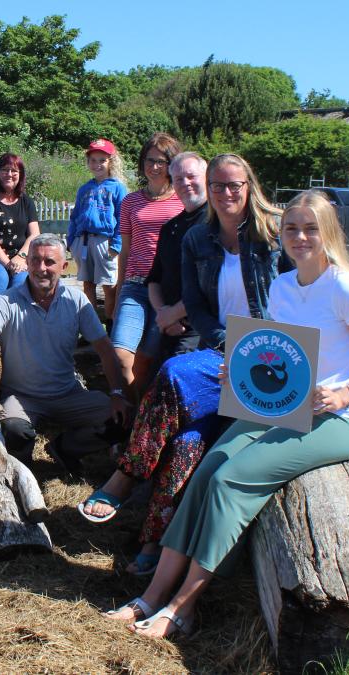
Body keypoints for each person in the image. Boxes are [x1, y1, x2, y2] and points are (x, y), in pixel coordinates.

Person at [104, 190, 349, 639]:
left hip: (337, 419)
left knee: (230, 481)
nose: (299, 237)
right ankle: (152, 595)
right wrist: (239, 369)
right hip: (285, 406)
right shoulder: (283, 286)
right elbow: (280, 353)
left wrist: (345, 394)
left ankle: (183, 607)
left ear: (328, 233)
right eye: (291, 228)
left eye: (310, 228)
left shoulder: (342, 287)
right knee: (205, 474)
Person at [78, 152, 288, 574]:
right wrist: (226, 343)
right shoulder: (197, 239)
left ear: (249, 186)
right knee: (187, 441)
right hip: (220, 351)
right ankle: (156, 541)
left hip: (271, 359)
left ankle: (127, 475)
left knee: (174, 371)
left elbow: (317, 283)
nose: (225, 193)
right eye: (218, 186)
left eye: (234, 185)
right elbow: (196, 303)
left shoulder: (276, 233)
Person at [0, 233, 130, 474]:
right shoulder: (8, 300)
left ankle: (66, 448)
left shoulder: (77, 301)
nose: (41, 268)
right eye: (35, 260)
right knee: (14, 430)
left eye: (49, 262)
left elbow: (105, 349)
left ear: (64, 266)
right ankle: (23, 468)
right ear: (27, 263)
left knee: (124, 418)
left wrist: (116, 393)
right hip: (22, 396)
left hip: (68, 393)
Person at [113, 133, 185, 396]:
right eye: (149, 160)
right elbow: (125, 251)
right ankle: (131, 406)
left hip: (166, 290)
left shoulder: (183, 200)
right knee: (121, 355)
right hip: (134, 285)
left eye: (161, 161)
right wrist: (118, 293)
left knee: (146, 360)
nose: (154, 166)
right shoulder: (130, 201)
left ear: (172, 164)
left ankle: (137, 413)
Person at [147, 152, 209, 360]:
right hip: (168, 325)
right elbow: (154, 279)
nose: (185, 183)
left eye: (191, 176)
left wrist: (174, 314)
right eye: (179, 179)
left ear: (206, 178)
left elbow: (212, 285)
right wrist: (164, 314)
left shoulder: (216, 224)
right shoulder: (170, 227)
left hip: (200, 328)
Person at [69, 138, 128, 324]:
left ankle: (111, 323)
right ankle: (91, 326)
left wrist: (116, 244)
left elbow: (122, 218)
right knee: (88, 283)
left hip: (105, 241)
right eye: (93, 160)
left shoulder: (117, 188)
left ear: (111, 162)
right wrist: (71, 241)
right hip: (83, 241)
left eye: (102, 160)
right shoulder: (84, 189)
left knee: (109, 285)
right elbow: (75, 216)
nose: (97, 164)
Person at [0, 153, 40, 298]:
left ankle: (16, 313)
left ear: (20, 175)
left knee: (20, 285)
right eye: (4, 170)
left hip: (20, 258)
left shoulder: (27, 202)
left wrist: (21, 257)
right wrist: (8, 263)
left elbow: (34, 234)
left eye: (14, 171)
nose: (9, 174)